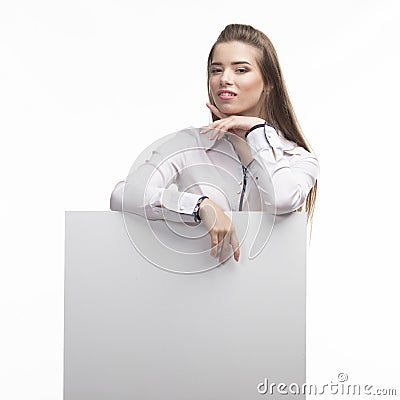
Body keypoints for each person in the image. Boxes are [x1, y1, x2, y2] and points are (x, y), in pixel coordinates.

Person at [110, 23, 319, 265]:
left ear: (268, 82)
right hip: (193, 294)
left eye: (241, 70)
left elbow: (282, 200)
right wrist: (200, 206)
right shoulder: (188, 144)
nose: (224, 79)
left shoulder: (299, 159)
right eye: (216, 70)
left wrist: (258, 131)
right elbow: (123, 195)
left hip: (267, 295)